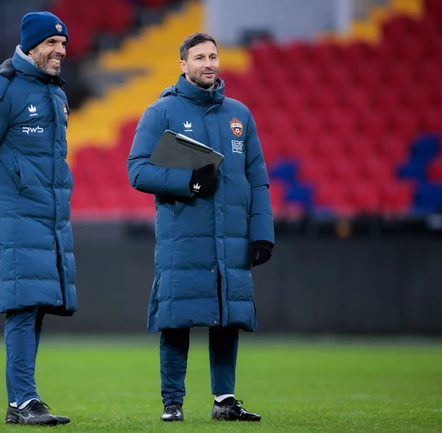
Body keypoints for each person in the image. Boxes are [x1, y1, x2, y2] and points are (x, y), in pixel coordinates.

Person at [127, 32, 274, 423]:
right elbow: (137, 171)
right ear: (183, 65)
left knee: (228, 317)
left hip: (231, 238)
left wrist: (262, 233)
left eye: (213, 56)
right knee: (175, 320)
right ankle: (172, 403)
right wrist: (189, 182)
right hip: (183, 239)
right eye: (199, 58)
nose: (208, 64)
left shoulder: (240, 115)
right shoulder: (161, 111)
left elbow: (258, 179)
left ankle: (225, 400)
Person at [0, 11, 77, 427]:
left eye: (63, 43)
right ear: (31, 45)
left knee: (36, 306)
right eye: (51, 43)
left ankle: (19, 403)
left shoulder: (56, 93)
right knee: (23, 307)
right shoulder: (0, 90)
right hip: (15, 217)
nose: (60, 50)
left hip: (50, 220)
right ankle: (25, 400)